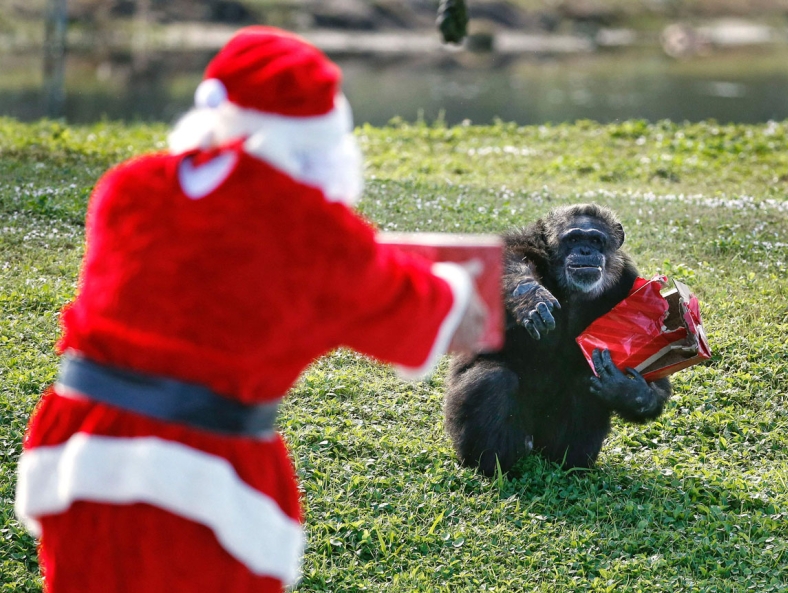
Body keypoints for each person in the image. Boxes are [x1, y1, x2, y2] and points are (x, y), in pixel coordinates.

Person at [15, 26, 486, 593]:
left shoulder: (128, 188)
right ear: (322, 143)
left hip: (79, 448)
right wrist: (457, 292)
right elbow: (423, 318)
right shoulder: (315, 234)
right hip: (203, 471)